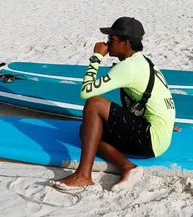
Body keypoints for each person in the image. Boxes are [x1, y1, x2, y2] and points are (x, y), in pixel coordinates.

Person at [49, 17, 176, 191]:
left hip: (150, 139)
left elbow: (86, 92)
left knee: (94, 104)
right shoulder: (144, 61)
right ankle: (128, 167)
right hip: (160, 137)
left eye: (111, 39)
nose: (107, 43)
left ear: (125, 43)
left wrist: (96, 57)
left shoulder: (128, 67)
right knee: (86, 132)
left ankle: (83, 175)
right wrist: (167, 122)